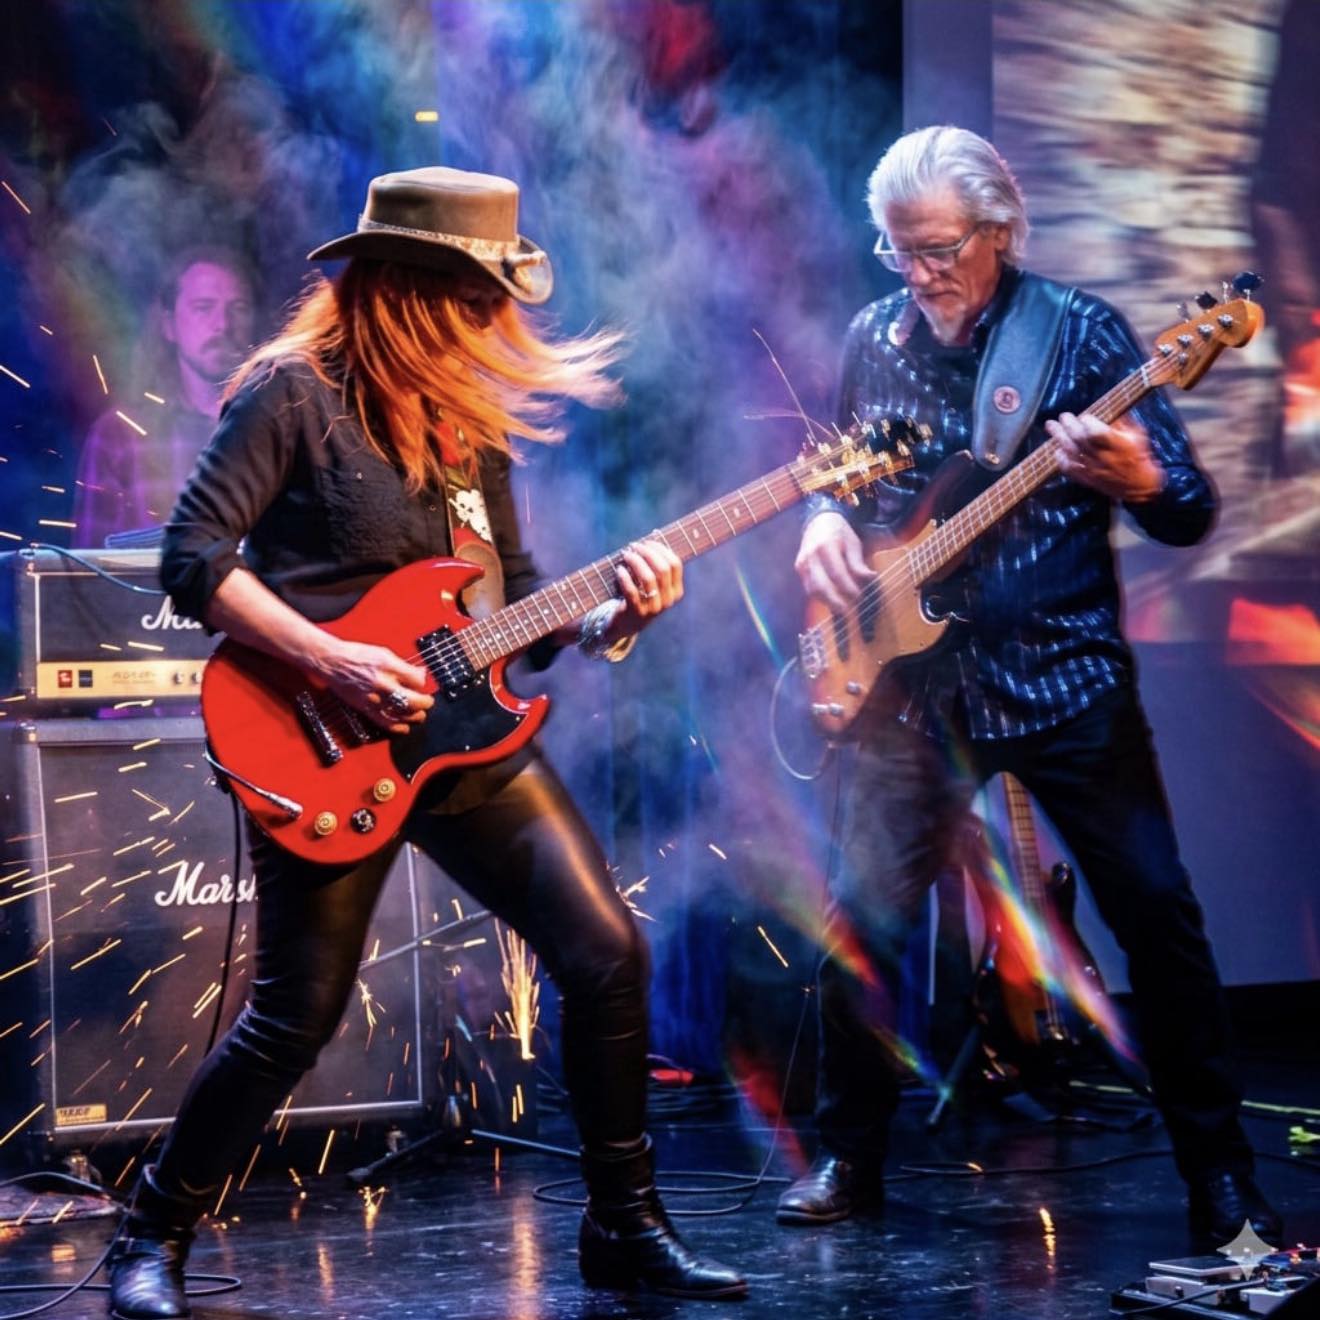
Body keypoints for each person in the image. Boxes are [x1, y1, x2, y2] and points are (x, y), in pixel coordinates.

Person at [107, 167, 746, 1318]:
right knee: (294, 1017)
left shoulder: (464, 418)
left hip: (465, 743)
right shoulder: (291, 392)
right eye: (476, 296)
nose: (493, 321)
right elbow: (191, 559)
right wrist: (330, 660)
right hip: (322, 742)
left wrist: (612, 617)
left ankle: (623, 1224)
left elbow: (519, 603)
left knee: (607, 954)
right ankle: (150, 1233)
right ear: (410, 286)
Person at [780, 126, 1280, 1251]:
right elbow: (835, 471)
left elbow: (1189, 509)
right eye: (899, 249)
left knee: (1158, 919)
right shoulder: (872, 337)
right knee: (861, 923)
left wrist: (1142, 475)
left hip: (1062, 682)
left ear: (1000, 231)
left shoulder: (1081, 333)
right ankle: (849, 1158)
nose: (920, 273)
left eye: (941, 249)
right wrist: (821, 519)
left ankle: (1221, 1178)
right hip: (912, 694)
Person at [74, 245, 257, 546]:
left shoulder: (282, 426)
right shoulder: (120, 435)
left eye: (238, 308)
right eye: (203, 307)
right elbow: (88, 563)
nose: (223, 325)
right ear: (169, 324)